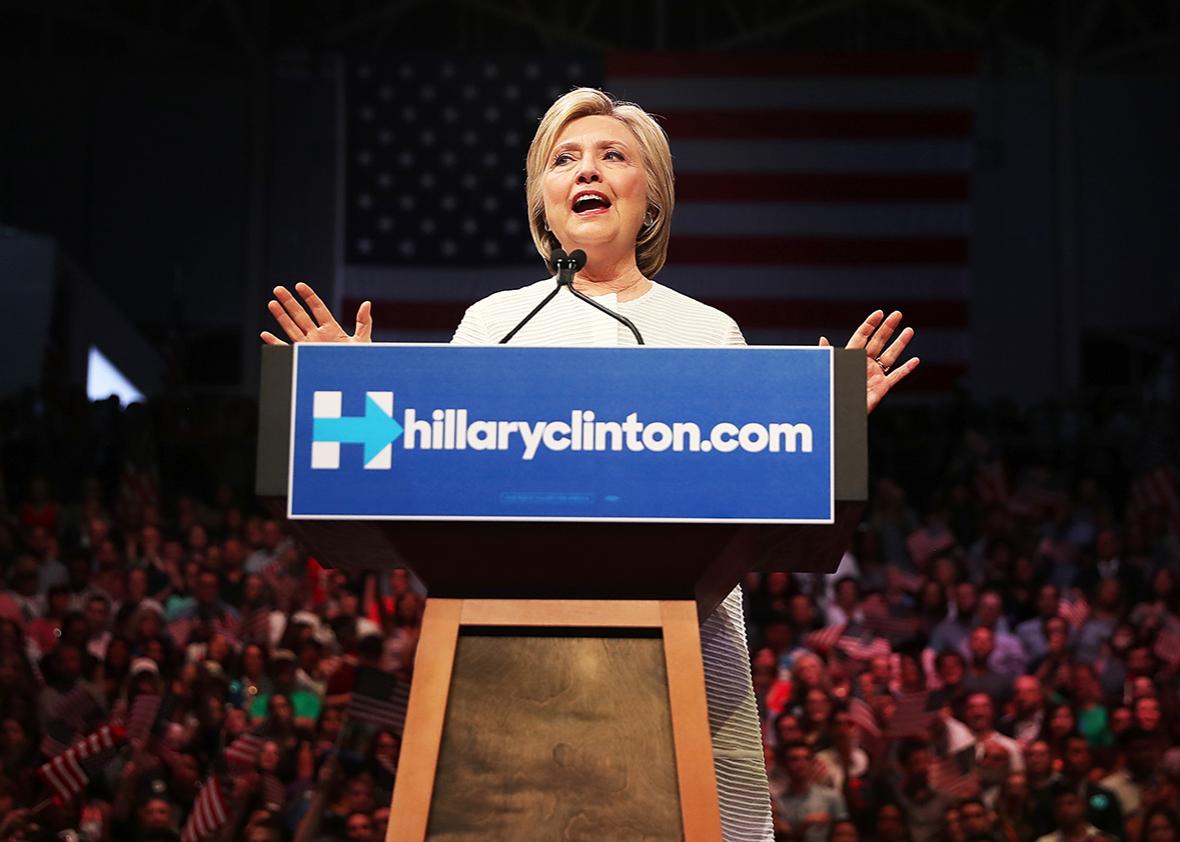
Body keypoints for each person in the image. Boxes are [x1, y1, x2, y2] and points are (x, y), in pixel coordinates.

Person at [261, 87, 919, 841]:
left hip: (687, 652)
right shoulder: (494, 323)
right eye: (564, 159)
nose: (588, 171)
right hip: (512, 658)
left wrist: (823, 426)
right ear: (543, 203)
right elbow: (438, 478)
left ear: (652, 200)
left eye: (613, 156)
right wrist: (361, 392)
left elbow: (759, 498)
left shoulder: (707, 332)